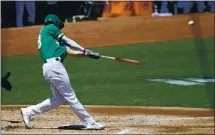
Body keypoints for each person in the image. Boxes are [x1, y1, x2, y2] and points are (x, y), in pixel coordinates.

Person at [20, 14, 104, 130]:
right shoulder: (49, 27)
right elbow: (68, 41)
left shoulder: (53, 43)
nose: (58, 29)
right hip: (54, 67)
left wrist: (89, 55)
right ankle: (90, 122)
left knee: (59, 99)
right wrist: (85, 49)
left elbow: (71, 52)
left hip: (51, 67)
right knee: (71, 96)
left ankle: (28, 111)